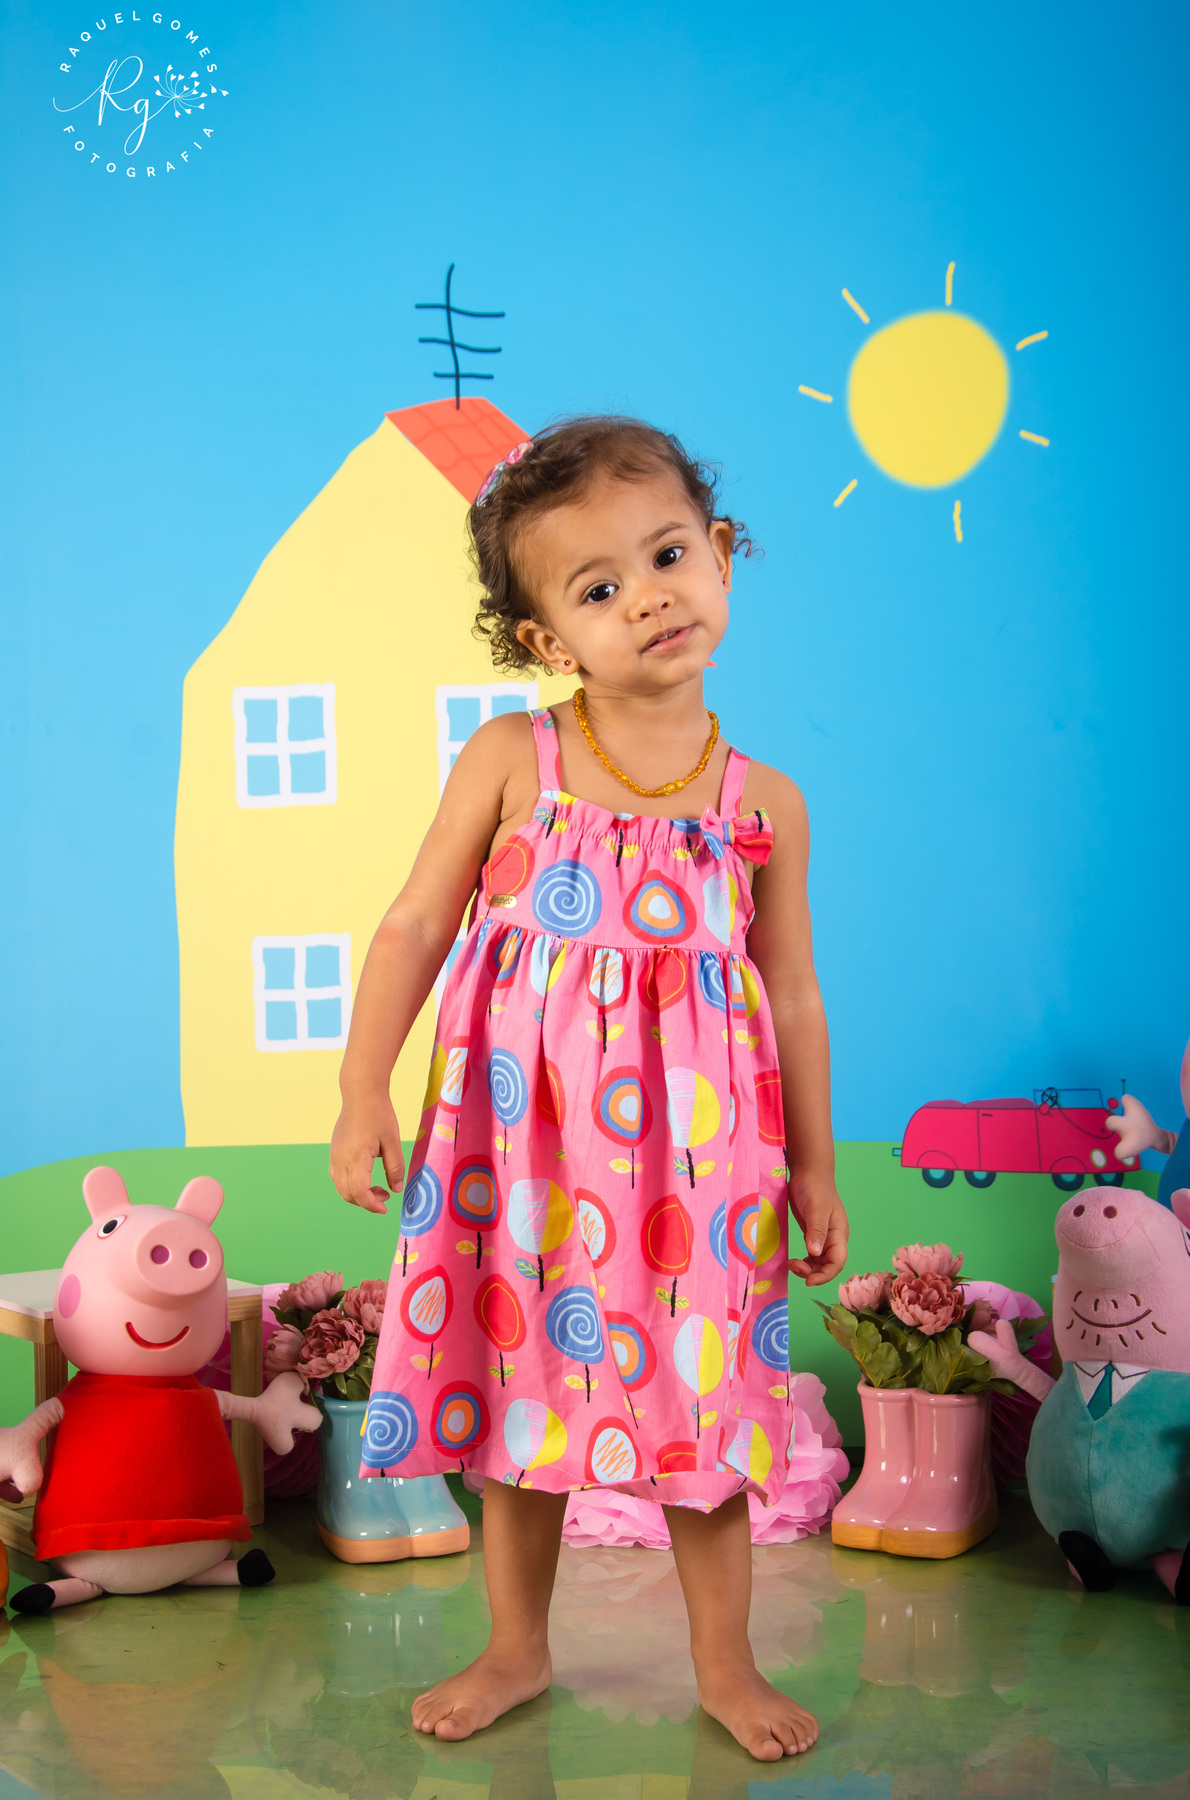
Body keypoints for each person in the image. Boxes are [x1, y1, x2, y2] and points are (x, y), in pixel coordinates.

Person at [330, 416, 849, 1761]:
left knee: (699, 1400)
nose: (650, 597)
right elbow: (414, 925)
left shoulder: (762, 804)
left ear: (722, 554)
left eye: (669, 556)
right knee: (521, 1395)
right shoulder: (517, 758)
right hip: (527, 1148)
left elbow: (792, 993)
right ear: (549, 639)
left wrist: (814, 1164)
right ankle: (515, 1647)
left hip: (700, 1168)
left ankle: (725, 1664)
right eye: (600, 586)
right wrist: (362, 1088)